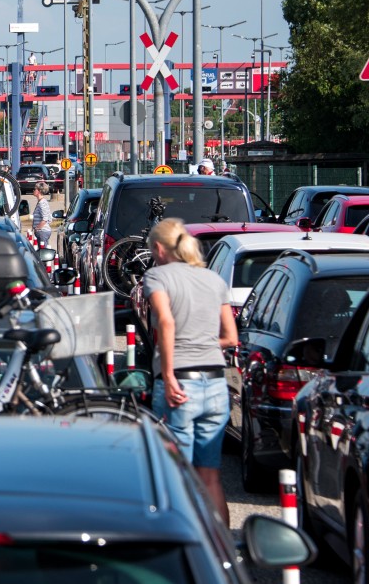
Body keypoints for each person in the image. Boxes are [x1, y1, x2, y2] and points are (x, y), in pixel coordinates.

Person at [142, 217, 237, 526]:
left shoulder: (157, 276)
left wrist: (168, 375)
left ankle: (185, 546)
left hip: (181, 383)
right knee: (210, 476)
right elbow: (231, 338)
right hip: (215, 383)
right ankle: (221, 548)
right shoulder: (213, 279)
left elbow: (166, 322)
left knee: (176, 472)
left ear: (158, 248)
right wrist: (204, 342)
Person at [31, 181, 53, 248]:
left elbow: (45, 218)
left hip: (42, 232)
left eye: (35, 189)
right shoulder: (41, 202)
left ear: (39, 191)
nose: (33, 190)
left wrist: (37, 228)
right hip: (41, 232)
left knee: (43, 252)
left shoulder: (42, 203)